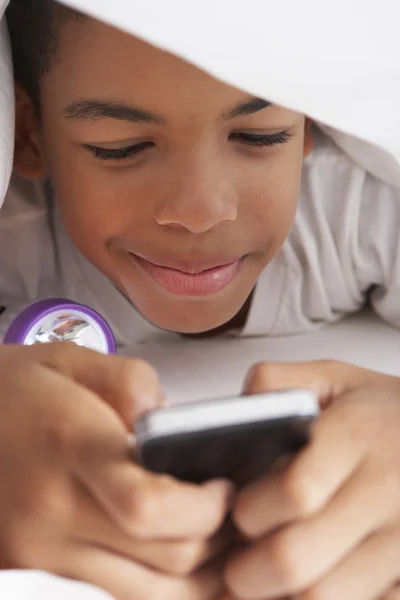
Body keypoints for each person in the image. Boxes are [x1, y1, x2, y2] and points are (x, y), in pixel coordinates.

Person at [0, 1, 399, 598]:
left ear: (311, 124)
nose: (201, 211)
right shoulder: (14, 240)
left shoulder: (360, 211)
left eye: (258, 135)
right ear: (29, 135)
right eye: (121, 147)